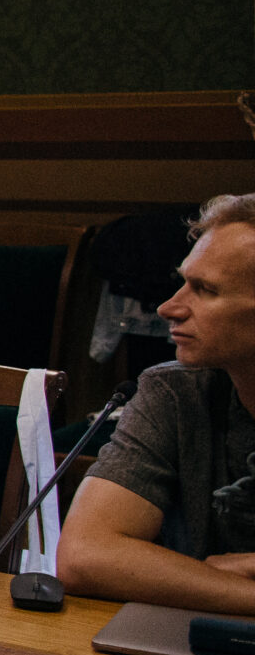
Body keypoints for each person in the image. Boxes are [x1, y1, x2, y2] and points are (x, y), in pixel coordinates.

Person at [59, 195, 255, 611]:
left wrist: (184, 577)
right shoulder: (174, 392)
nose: (169, 308)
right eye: (184, 282)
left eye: (205, 290)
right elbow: (83, 554)